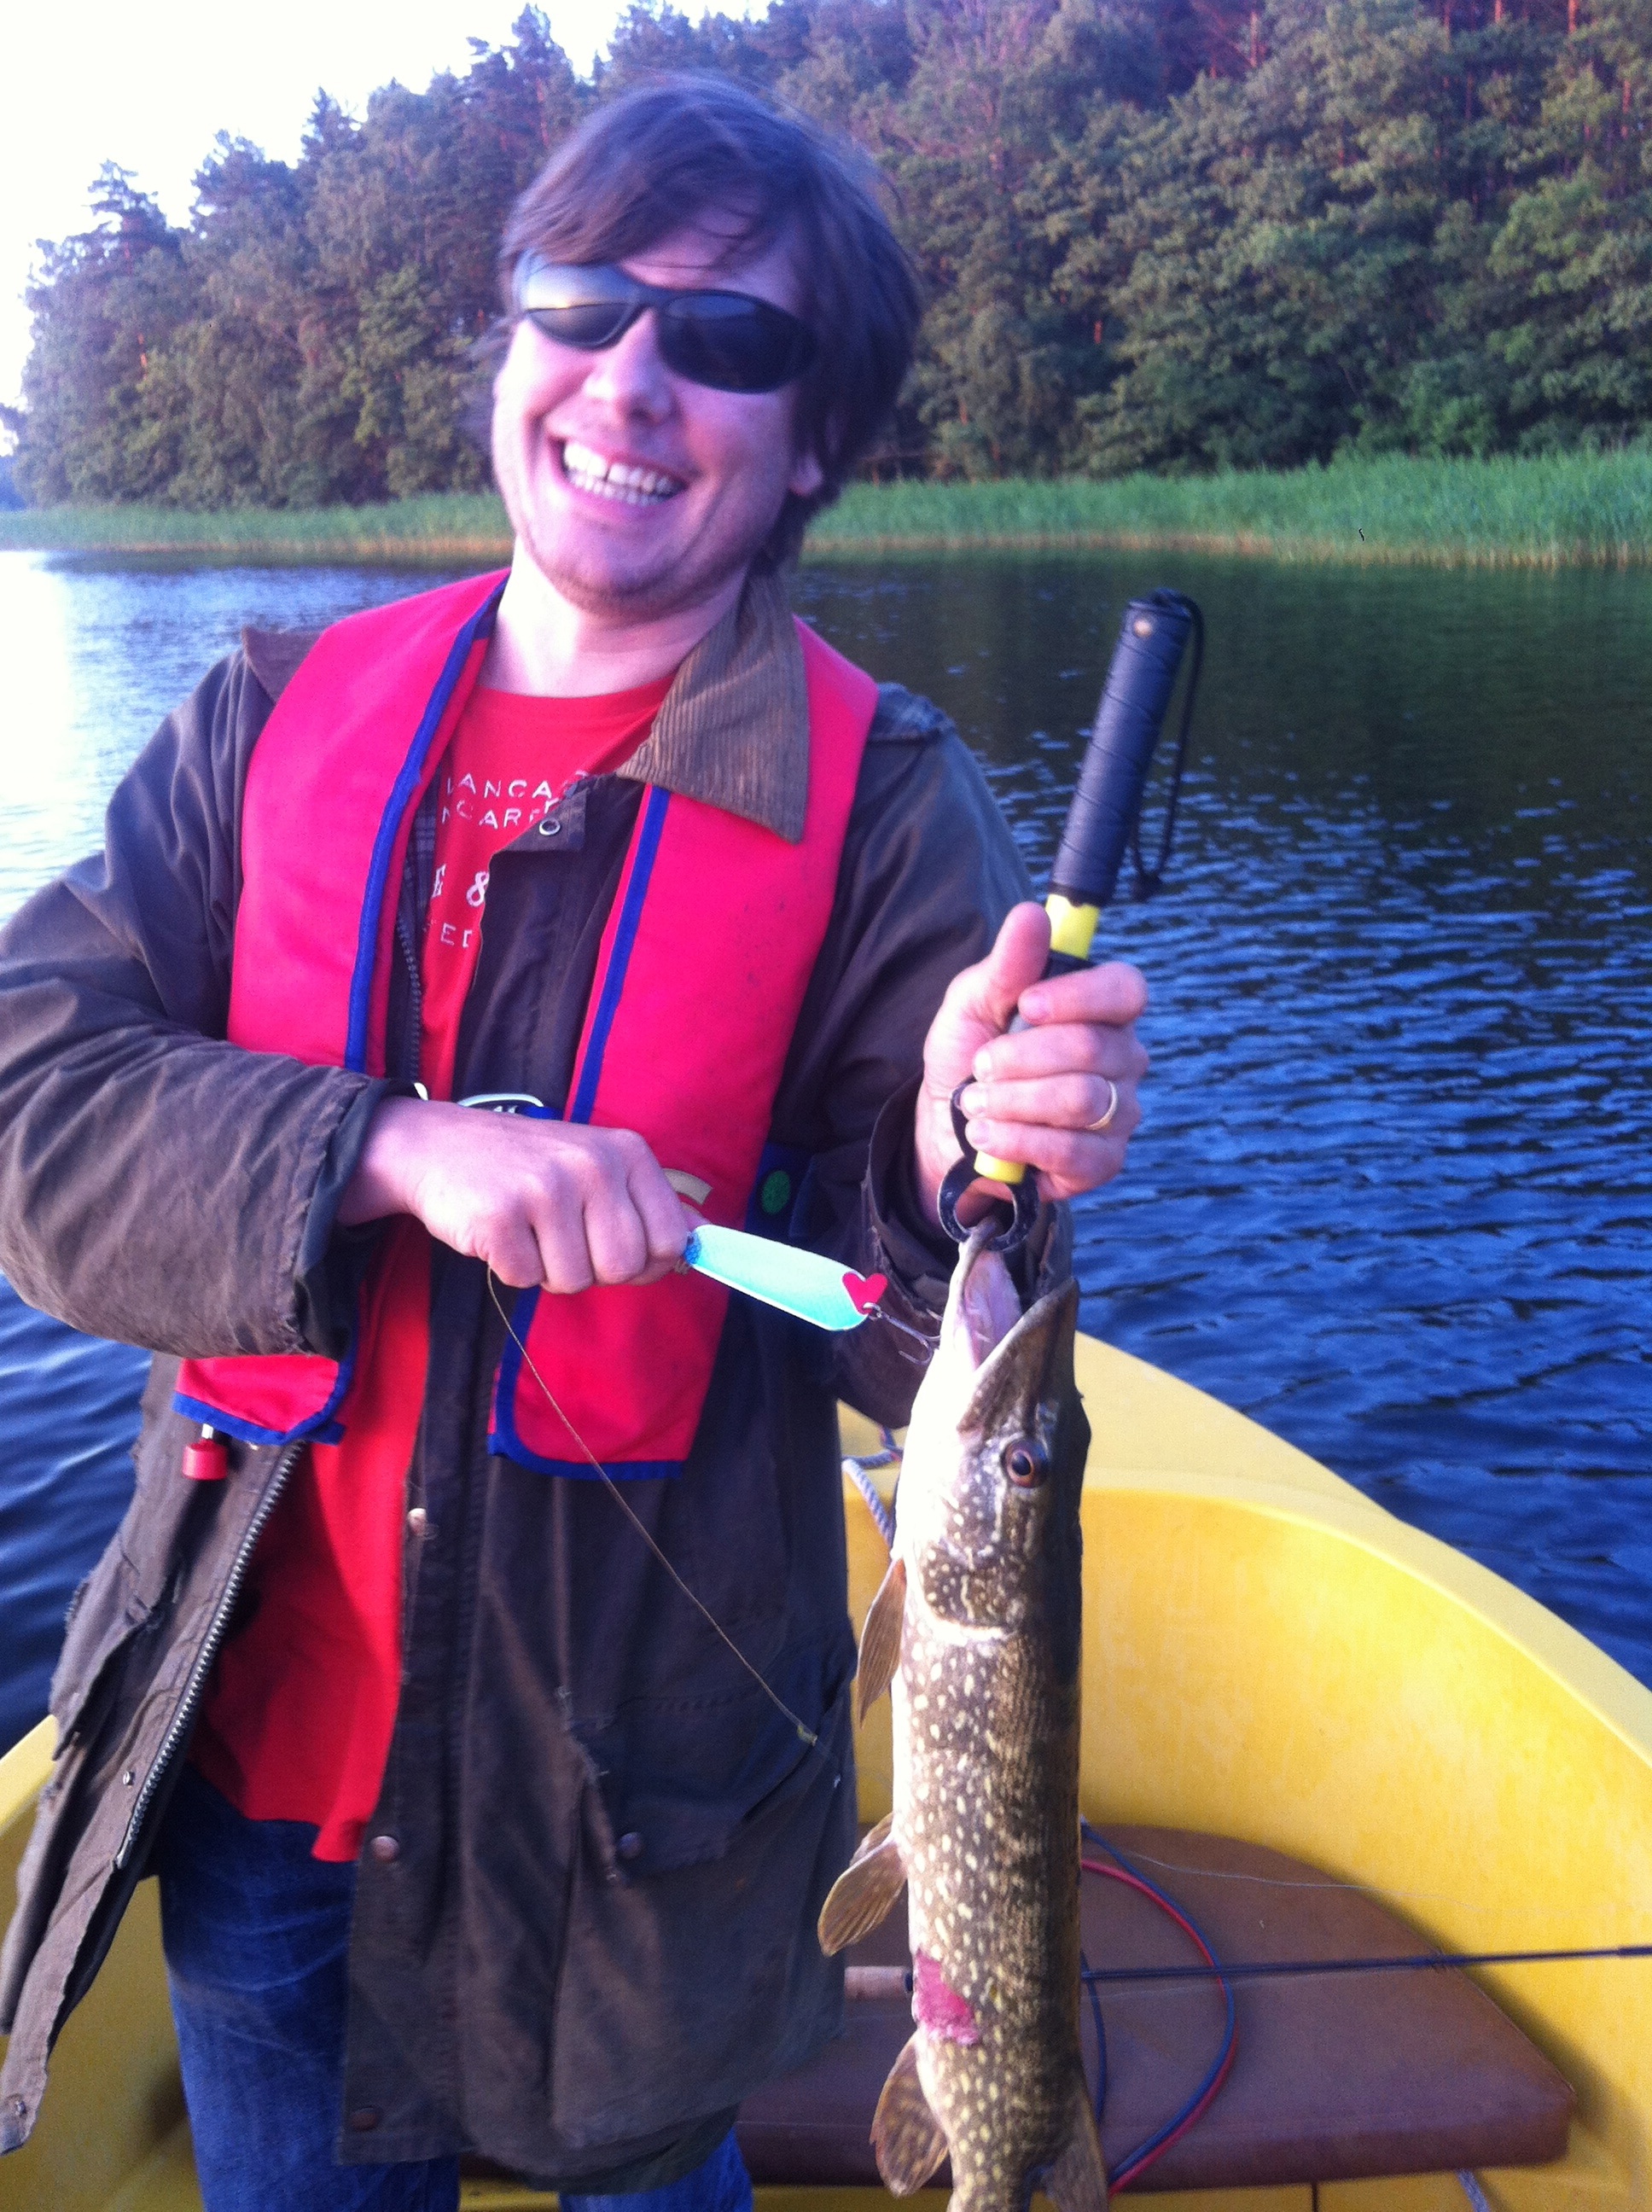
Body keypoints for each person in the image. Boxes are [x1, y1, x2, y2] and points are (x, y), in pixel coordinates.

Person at [0, 79, 1148, 2212]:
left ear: (809, 439)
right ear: (511, 352)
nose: (633, 372)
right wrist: (386, 1149)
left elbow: (929, 1335)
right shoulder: (266, 714)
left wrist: (962, 1155)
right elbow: (25, 1102)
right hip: (255, 1788)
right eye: (581, 304)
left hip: (640, 1847)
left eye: (726, 340)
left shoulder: (887, 808)